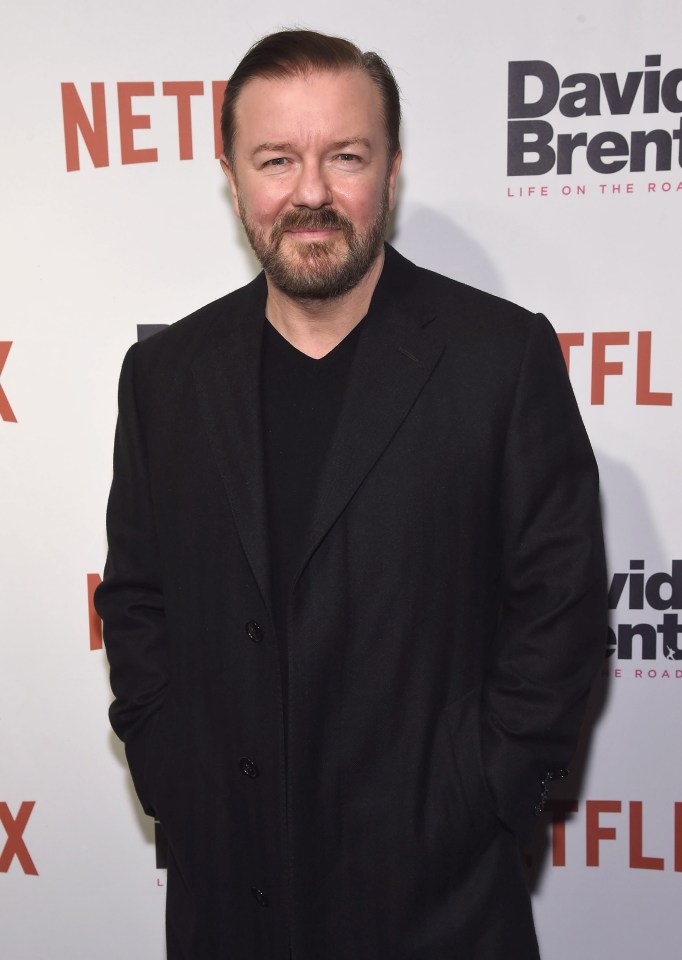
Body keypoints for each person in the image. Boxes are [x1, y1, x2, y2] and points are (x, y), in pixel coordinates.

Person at [95, 28, 607, 960]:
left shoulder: (499, 358)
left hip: (437, 904)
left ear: (394, 169)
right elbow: (137, 597)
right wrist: (174, 770)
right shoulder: (164, 376)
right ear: (232, 174)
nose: (312, 193)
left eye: (346, 157)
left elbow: (561, 610)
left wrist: (482, 790)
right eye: (277, 160)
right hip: (228, 901)